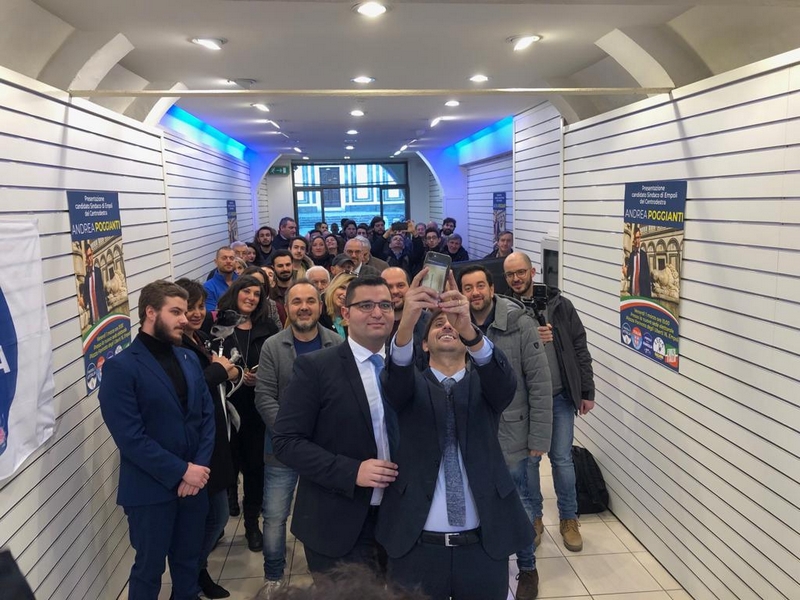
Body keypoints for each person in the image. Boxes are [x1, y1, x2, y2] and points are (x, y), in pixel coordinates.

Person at [377, 270, 532, 600]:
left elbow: (504, 383)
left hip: (482, 545)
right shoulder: (409, 388)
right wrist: (407, 322)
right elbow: (395, 379)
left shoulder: (486, 386)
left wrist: (469, 329)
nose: (447, 326)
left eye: (453, 324)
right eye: (438, 324)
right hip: (416, 545)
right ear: (424, 343)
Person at [272, 276, 397, 577]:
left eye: (385, 305)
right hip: (338, 522)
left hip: (398, 522)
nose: (377, 313)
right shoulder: (316, 367)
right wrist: (351, 471)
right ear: (345, 313)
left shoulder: (406, 365)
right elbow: (286, 441)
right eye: (365, 305)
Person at [98, 280, 215, 600]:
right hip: (149, 490)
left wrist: (198, 468)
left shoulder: (188, 358)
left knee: (188, 563)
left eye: (185, 312)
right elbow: (131, 439)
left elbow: (207, 417)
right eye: (176, 312)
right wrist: (182, 471)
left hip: (194, 486)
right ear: (150, 312)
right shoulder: (121, 368)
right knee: (149, 570)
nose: (185, 319)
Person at [458, 264, 551, 599]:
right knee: (478, 502)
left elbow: (539, 381)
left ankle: (527, 568)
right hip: (472, 433)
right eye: (468, 288)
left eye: (480, 286)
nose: (475, 293)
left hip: (514, 432)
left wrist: (539, 437)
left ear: (492, 288)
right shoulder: (453, 325)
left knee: (519, 504)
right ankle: (487, 566)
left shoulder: (519, 323)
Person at [253, 280, 345, 598]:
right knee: (275, 516)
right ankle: (274, 577)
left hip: (324, 450)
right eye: (296, 302)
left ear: (320, 306)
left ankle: (326, 575)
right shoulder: (272, 346)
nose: (304, 307)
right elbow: (264, 396)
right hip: (281, 449)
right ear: (287, 308)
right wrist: (290, 433)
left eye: (310, 301)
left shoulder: (336, 343)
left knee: (323, 515)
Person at [503, 251, 595, 554]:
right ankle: (533, 517)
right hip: (524, 401)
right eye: (510, 274)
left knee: (562, 459)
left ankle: (569, 518)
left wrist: (586, 391)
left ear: (533, 271)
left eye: (521, 272)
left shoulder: (560, 306)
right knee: (529, 462)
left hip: (559, 396)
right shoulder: (504, 310)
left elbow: (579, 347)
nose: (516, 279)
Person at [176, 279, 239, 599]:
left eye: (201, 306)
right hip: (195, 449)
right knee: (211, 518)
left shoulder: (200, 339)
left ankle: (197, 573)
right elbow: (185, 391)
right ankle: (190, 578)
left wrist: (228, 371)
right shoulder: (175, 347)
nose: (196, 313)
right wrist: (220, 372)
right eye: (189, 308)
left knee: (217, 517)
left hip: (215, 439)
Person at [217, 275, 280, 552]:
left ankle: (252, 525)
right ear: (236, 292)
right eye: (247, 291)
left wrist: (260, 376)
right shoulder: (218, 326)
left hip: (256, 409)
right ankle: (220, 521)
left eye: (257, 294)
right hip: (225, 408)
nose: (252, 297)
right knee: (226, 467)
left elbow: (276, 363)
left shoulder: (267, 328)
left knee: (255, 470)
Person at [381, 267, 429, 370]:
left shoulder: (429, 322)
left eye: (400, 285)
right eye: (389, 286)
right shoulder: (372, 323)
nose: (395, 291)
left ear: (410, 287)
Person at [79, 243, 109, 325]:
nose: (89, 259)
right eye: (87, 257)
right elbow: (85, 299)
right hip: (94, 320)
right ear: (85, 260)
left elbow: (102, 294)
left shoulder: (98, 271)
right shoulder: (86, 279)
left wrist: (106, 315)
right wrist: (81, 298)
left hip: (102, 315)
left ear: (92, 254)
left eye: (90, 255)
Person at [320, 272, 355, 337]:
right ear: (333, 288)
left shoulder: (354, 317)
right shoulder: (318, 312)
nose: (345, 294)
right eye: (342, 288)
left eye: (350, 290)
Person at [204, 247, 238, 311]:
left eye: (231, 258)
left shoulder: (242, 281)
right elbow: (212, 313)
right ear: (216, 262)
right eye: (224, 258)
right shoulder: (208, 287)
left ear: (235, 262)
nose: (228, 261)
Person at [625, 225, 652, 297]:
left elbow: (647, 276)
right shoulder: (631, 256)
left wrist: (649, 297)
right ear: (633, 240)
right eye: (635, 238)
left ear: (640, 238)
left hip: (642, 292)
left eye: (638, 238)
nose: (637, 240)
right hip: (632, 293)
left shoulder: (644, 255)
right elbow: (629, 272)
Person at [270, 250, 294, 323]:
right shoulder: (269, 293)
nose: (285, 269)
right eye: (280, 266)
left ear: (292, 265)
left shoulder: (302, 290)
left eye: (288, 265)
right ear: (273, 267)